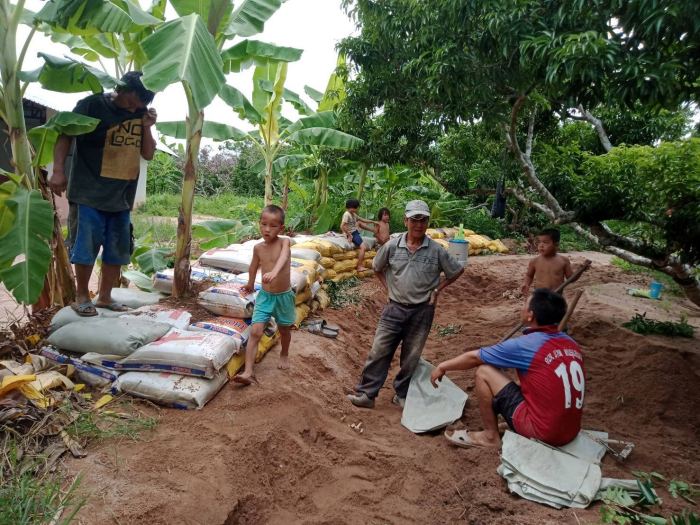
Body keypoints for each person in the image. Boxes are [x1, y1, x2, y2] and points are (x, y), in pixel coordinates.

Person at [48, 71, 157, 317]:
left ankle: (105, 297)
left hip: (121, 197)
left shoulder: (141, 113)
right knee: (85, 248)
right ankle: (82, 297)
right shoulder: (91, 105)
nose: (133, 109)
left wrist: (148, 127)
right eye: (131, 102)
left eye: (138, 106)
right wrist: (57, 171)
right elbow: (65, 135)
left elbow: (148, 154)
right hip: (89, 193)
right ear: (123, 89)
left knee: (117, 251)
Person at [430, 289, 584, 448]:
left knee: (484, 371)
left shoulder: (526, 344)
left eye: (525, 304)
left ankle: (490, 437)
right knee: (519, 381)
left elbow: (474, 357)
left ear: (530, 315)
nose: (521, 307)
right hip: (570, 432)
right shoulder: (571, 344)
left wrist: (443, 366)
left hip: (545, 434)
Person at [347, 200, 464, 408]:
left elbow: (456, 270)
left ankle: (403, 394)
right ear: (406, 221)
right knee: (379, 351)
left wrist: (437, 290)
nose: (419, 224)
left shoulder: (436, 250)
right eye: (414, 220)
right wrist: (388, 289)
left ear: (428, 222)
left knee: (411, 356)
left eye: (423, 220)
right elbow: (376, 268)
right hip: (394, 308)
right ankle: (367, 394)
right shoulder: (392, 246)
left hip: (422, 311)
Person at [235, 205, 295, 385]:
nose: (267, 229)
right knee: (255, 331)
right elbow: (253, 266)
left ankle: (284, 353)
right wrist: (251, 283)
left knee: (284, 330)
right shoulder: (258, 248)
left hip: (284, 296)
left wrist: (275, 272)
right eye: (264, 224)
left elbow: (283, 258)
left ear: (281, 228)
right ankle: (248, 372)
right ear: (259, 224)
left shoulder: (285, 242)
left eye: (273, 226)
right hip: (265, 296)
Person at [521, 228, 573, 295]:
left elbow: (571, 279)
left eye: (545, 242)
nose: (541, 245)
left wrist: (580, 270)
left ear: (556, 245)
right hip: (540, 296)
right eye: (539, 242)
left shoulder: (563, 261)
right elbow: (529, 275)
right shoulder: (535, 261)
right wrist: (526, 284)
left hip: (556, 297)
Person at [341, 198, 378, 272]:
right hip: (352, 234)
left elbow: (362, 219)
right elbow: (342, 226)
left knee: (360, 224)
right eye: (357, 207)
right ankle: (359, 266)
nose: (357, 209)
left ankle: (359, 265)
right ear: (353, 207)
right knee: (363, 248)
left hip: (354, 232)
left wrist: (372, 221)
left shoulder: (353, 214)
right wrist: (349, 235)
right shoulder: (347, 214)